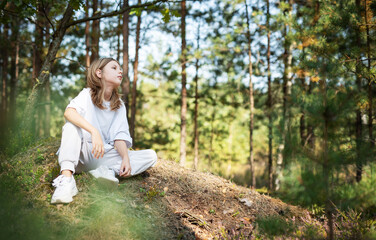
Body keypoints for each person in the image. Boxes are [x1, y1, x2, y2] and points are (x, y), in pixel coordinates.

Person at [51, 57, 157, 204]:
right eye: (114, 68)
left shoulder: (119, 105)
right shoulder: (86, 94)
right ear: (99, 73)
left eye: (120, 68)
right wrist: (94, 131)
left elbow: (119, 136)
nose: (120, 71)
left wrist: (125, 159)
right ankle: (67, 180)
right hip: (82, 155)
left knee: (151, 155)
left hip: (103, 157)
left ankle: (108, 172)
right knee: (70, 126)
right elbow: (69, 113)